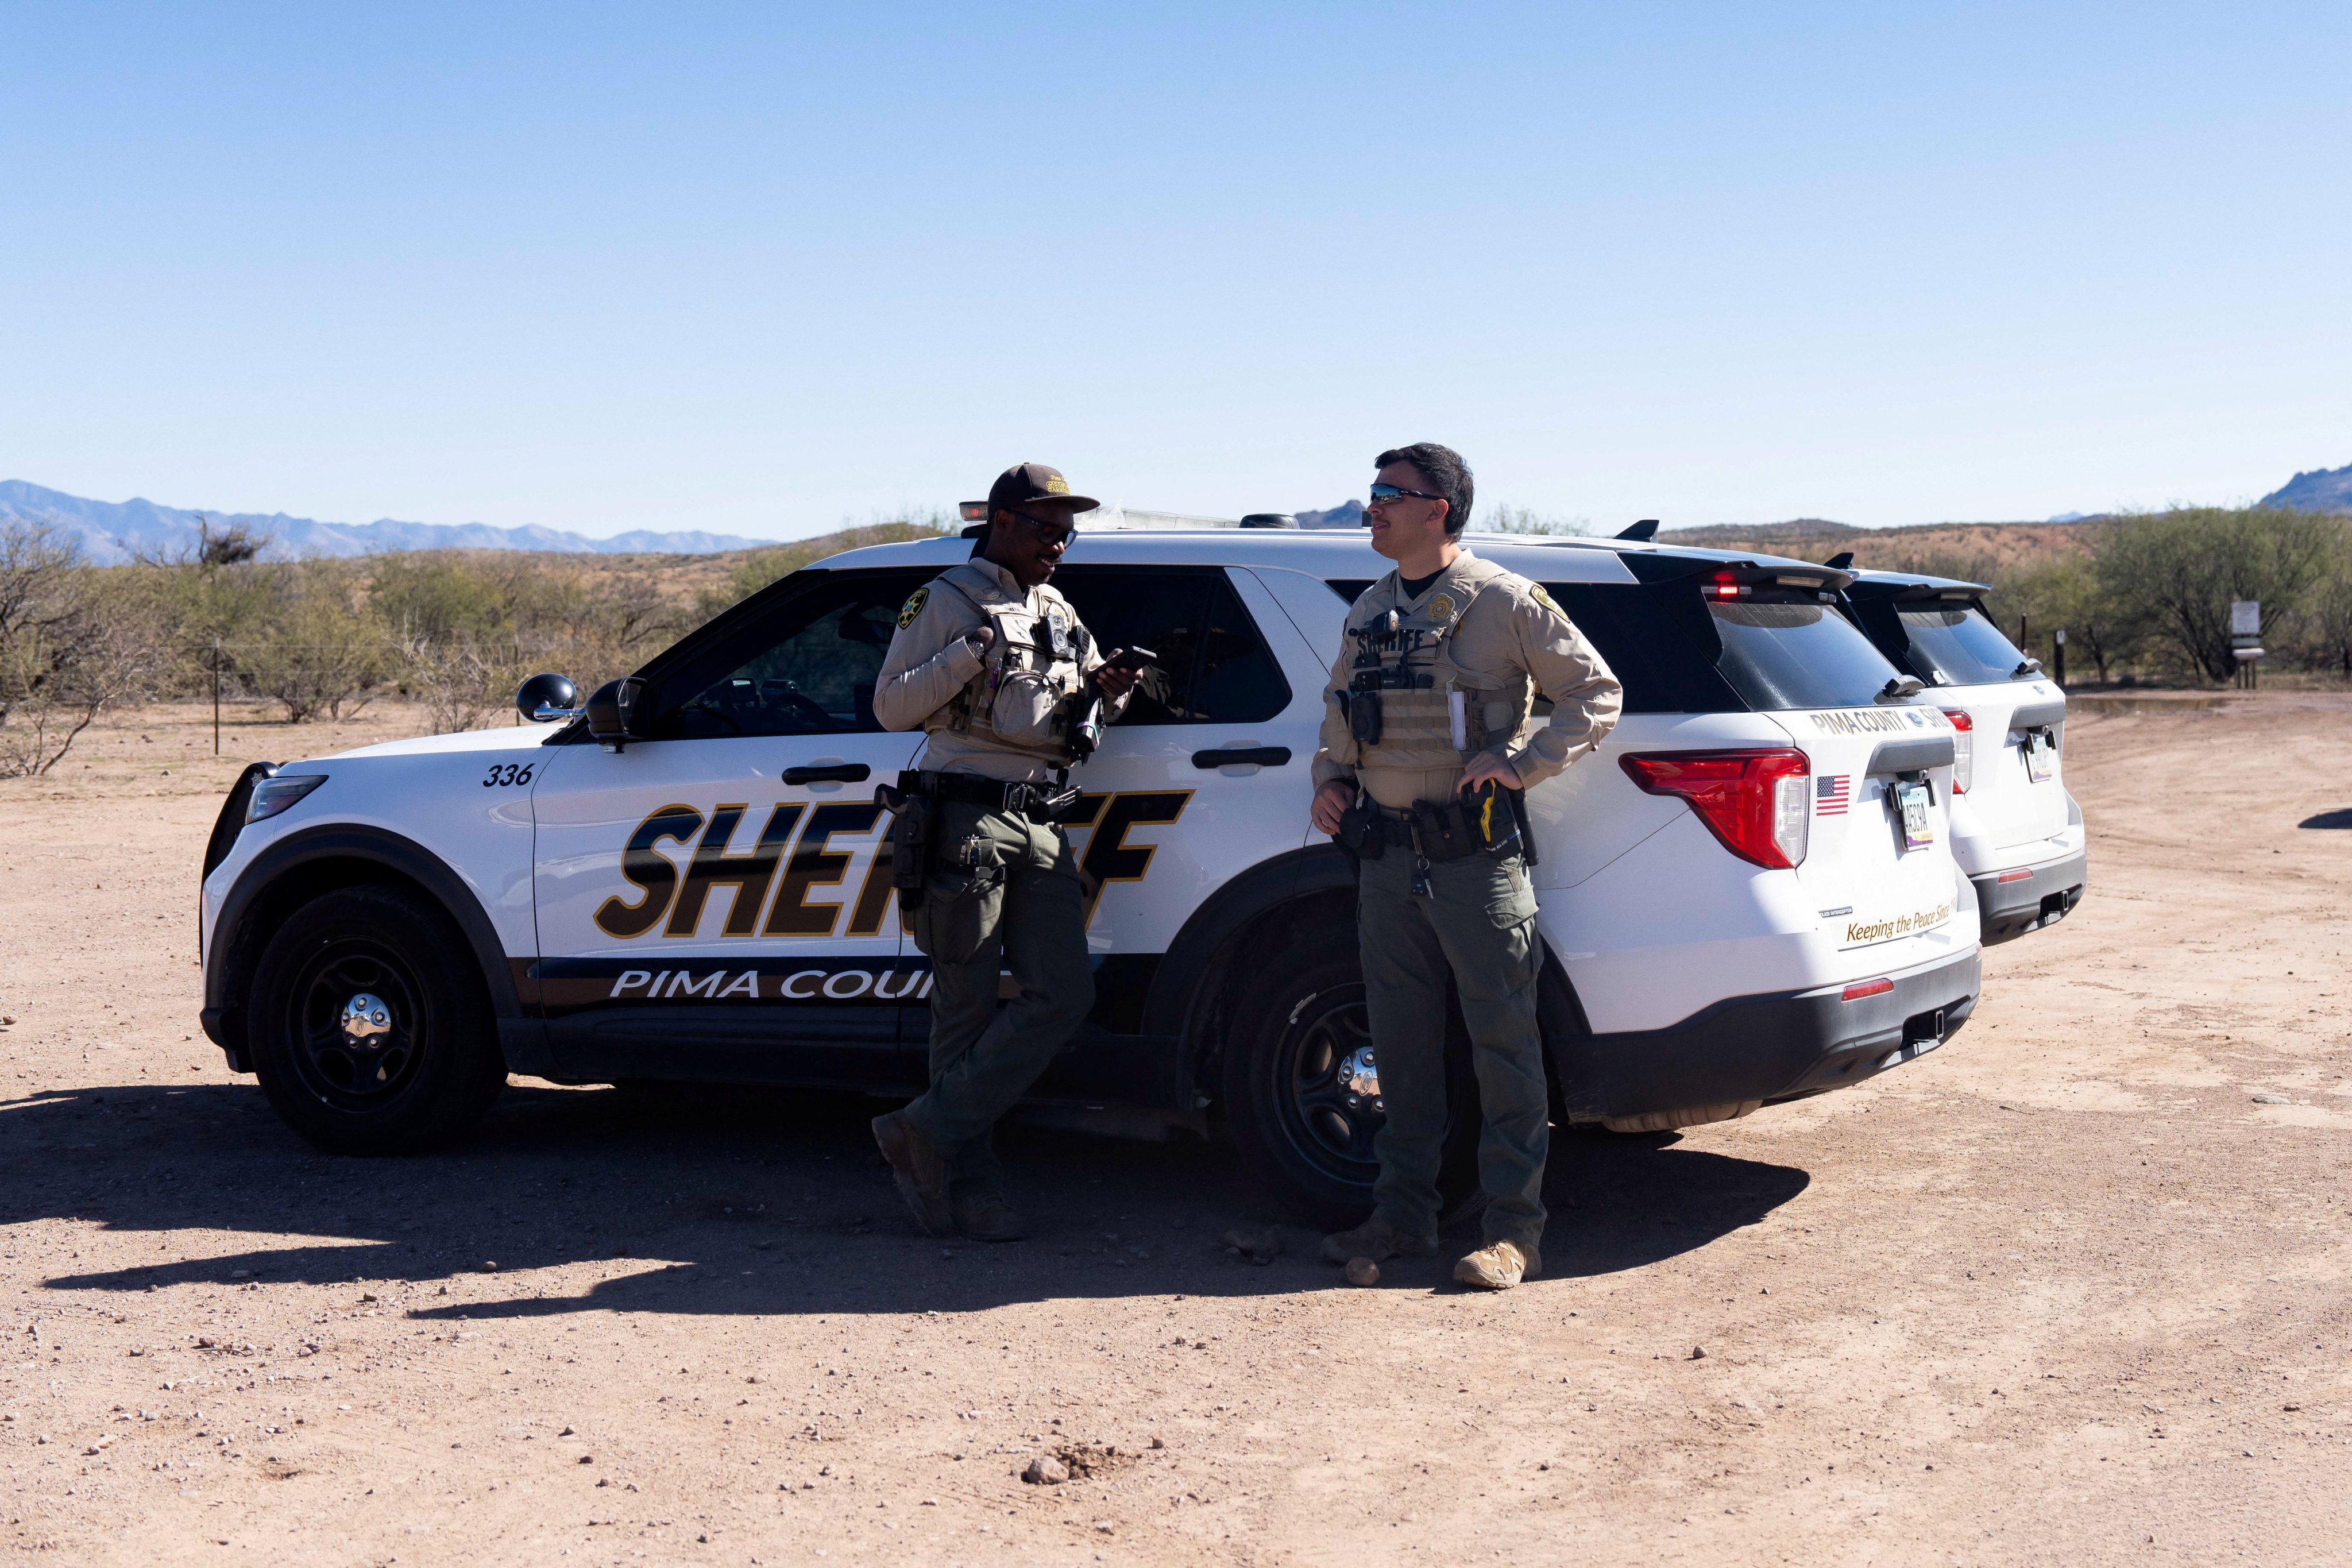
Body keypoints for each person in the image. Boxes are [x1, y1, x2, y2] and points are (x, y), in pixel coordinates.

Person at [1308, 443, 1623, 1289]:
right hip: (1385, 856)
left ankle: (1514, 1231)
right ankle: (1403, 1215)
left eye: (1388, 494)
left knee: (1503, 1046)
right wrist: (1329, 783)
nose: (1372, 507)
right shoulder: (1368, 608)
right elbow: (1340, 719)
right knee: (1401, 1048)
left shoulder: (1503, 600)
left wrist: (1521, 762)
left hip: (1473, 857)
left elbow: (1595, 692)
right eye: (1371, 494)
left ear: (1438, 507)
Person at [867, 462, 1141, 1242]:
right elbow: (892, 706)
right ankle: (968, 1186)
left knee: (1065, 992)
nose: (1061, 541)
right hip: (965, 819)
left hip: (1041, 819)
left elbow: (1072, 716)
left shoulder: (1058, 607)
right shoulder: (946, 599)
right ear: (1002, 521)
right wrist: (965, 653)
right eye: (1048, 526)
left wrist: (1109, 688)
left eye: (1068, 529)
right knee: (966, 1002)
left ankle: (923, 1128)